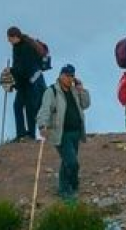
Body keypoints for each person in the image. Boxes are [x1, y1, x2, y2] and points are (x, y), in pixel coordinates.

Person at [37, 64, 91, 200]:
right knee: (72, 162)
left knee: (67, 161)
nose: (69, 78)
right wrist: (42, 125)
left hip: (75, 132)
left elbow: (85, 104)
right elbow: (45, 109)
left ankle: (65, 187)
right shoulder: (52, 91)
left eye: (71, 76)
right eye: (67, 75)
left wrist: (81, 90)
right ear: (61, 75)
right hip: (61, 133)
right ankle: (69, 187)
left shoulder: (74, 91)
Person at [7, 26, 47, 140]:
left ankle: (30, 134)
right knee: (18, 106)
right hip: (25, 82)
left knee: (30, 108)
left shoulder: (27, 47)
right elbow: (18, 66)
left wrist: (12, 72)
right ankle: (21, 134)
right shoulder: (16, 46)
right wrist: (13, 74)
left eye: (10, 39)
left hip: (32, 82)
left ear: (15, 37)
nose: (9, 41)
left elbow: (25, 67)